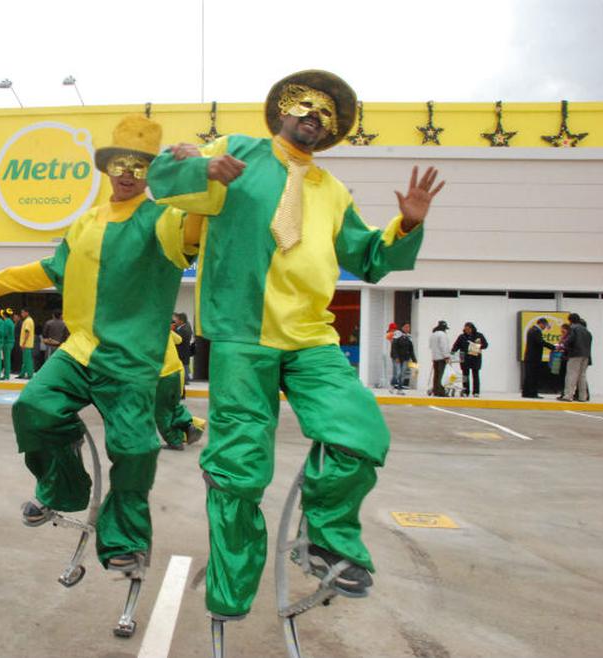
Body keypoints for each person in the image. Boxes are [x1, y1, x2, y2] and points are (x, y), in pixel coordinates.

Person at [147, 70, 443, 619]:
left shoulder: (332, 191)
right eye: (306, 105)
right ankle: (231, 593)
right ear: (283, 108)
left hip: (311, 338)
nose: (315, 115)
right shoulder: (236, 151)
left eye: (327, 113)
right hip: (243, 335)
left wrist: (405, 225)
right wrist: (199, 167)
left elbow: (371, 259)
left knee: (360, 432)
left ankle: (325, 540)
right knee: (238, 471)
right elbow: (164, 182)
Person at [0, 113, 193, 572]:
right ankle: (62, 488)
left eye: (140, 166)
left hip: (133, 362)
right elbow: (53, 268)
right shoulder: (85, 223)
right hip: (80, 349)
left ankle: (124, 540)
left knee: (136, 450)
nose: (127, 175)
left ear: (152, 172)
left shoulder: (166, 221)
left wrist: (192, 176)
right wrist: (0, 281)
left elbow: (198, 226)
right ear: (109, 166)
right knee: (33, 408)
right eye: (121, 163)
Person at [156, 329, 206, 450]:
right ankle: (189, 426)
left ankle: (175, 440)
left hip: (163, 375)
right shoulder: (162, 327)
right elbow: (179, 340)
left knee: (161, 411)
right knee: (173, 405)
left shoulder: (144, 331)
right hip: (177, 372)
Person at [560, 313, 593, 402]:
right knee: (582, 376)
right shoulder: (587, 331)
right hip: (586, 355)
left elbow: (570, 340)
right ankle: (583, 397)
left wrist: (563, 344)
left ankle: (568, 396)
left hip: (575, 354)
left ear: (570, 320)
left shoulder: (573, 328)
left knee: (571, 375)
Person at [452, 322, 488, 397]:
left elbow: (485, 345)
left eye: (468, 329)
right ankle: (465, 391)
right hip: (464, 358)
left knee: (475, 375)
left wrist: (478, 346)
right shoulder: (461, 337)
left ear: (472, 329)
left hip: (475, 357)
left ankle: (476, 392)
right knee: (465, 376)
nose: (467, 331)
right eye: (465, 329)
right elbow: (456, 345)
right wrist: (452, 352)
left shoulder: (479, 335)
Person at [522, 317, 556, 398]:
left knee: (529, 375)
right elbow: (541, 342)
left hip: (530, 357)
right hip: (534, 357)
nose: (544, 327)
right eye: (544, 325)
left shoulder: (532, 330)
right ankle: (532, 393)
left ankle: (526, 393)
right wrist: (553, 347)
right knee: (533, 376)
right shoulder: (536, 331)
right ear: (541, 323)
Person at [390, 322, 415, 394]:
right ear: (402, 327)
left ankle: (399, 389)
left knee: (402, 374)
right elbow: (394, 346)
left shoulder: (409, 337)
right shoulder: (397, 334)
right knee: (397, 373)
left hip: (405, 358)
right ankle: (392, 385)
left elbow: (411, 349)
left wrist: (414, 359)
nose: (407, 329)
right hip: (397, 357)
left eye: (408, 327)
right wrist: (396, 357)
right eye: (406, 327)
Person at [429, 321, 451, 397]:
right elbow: (444, 346)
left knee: (436, 375)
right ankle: (441, 391)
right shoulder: (442, 335)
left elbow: (430, 346)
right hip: (442, 358)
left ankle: (435, 390)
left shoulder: (433, 334)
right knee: (442, 375)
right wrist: (447, 356)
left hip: (435, 357)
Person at [172, 312, 193, 384]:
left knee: (184, 366)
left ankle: (185, 380)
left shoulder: (184, 329)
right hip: (184, 352)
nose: (175, 321)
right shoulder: (184, 326)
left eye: (176, 320)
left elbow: (178, 339)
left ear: (181, 321)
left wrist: (173, 330)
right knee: (185, 365)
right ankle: (186, 379)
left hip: (182, 352)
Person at [17, 308, 35, 379]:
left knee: (27, 360)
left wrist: (24, 343)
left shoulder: (28, 321)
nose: (21, 314)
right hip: (26, 344)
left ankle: (30, 375)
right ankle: (22, 374)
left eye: (23, 312)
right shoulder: (28, 320)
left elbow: (27, 332)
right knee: (25, 360)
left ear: (27, 313)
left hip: (26, 344)